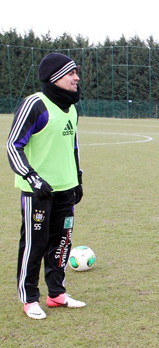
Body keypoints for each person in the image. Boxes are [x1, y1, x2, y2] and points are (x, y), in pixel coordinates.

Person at [6, 52, 86, 320]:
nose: (77, 77)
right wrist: (33, 178)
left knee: (62, 242)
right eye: (71, 73)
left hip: (66, 190)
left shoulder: (72, 108)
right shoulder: (35, 105)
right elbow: (13, 145)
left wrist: (78, 179)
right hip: (37, 192)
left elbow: (72, 147)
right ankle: (29, 298)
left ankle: (56, 293)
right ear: (55, 77)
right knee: (34, 243)